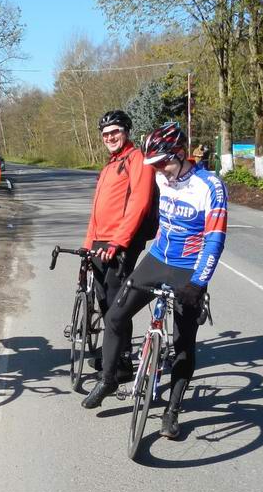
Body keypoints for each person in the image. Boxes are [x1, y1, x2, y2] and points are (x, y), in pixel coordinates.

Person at [81, 124, 228, 440]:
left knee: (183, 343)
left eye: (163, 162)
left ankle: (171, 410)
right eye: (154, 164)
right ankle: (109, 378)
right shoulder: (162, 176)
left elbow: (215, 240)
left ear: (179, 153)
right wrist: (120, 246)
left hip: (189, 268)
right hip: (158, 259)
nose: (158, 169)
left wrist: (198, 285)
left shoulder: (210, 186)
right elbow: (141, 210)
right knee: (116, 315)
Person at [82, 110, 156, 381]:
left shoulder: (138, 160)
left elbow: (139, 203)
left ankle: (122, 364)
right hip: (102, 241)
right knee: (104, 302)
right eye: (105, 134)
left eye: (115, 132)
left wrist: (119, 241)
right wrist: (88, 244)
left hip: (122, 241)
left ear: (126, 132)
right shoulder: (110, 165)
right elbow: (96, 211)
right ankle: (113, 354)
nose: (110, 137)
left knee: (117, 304)